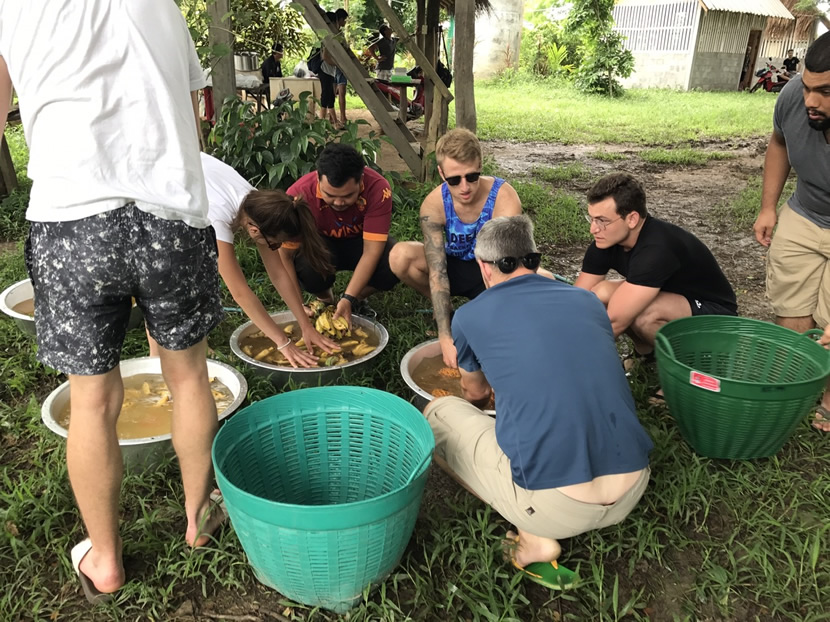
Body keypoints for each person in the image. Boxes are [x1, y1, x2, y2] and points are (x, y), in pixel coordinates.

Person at [0, 0, 225, 603]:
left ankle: (105, 561)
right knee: (188, 377)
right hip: (171, 217)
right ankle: (198, 520)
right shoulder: (164, 8)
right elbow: (190, 113)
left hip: (72, 222)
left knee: (92, 399)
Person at [424, 215, 653, 588]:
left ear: (484, 267)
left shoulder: (469, 315)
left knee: (437, 415)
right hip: (633, 486)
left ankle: (533, 539)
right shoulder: (587, 300)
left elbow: (476, 394)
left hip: (554, 508)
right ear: (534, 258)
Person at [147, 154, 339, 365]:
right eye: (274, 244)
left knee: (194, 270)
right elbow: (239, 291)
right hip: (152, 185)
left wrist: (305, 325)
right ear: (255, 230)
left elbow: (278, 273)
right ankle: (156, 355)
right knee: (167, 274)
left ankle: (196, 345)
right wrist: (283, 343)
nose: (275, 249)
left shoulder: (258, 206)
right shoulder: (217, 219)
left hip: (183, 174)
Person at [389, 128, 522, 368]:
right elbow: (437, 271)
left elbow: (507, 265)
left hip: (492, 271)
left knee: (534, 280)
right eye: (454, 180)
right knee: (400, 256)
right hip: (454, 266)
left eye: (472, 176)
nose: (464, 187)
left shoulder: (504, 198)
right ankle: (446, 311)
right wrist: (445, 334)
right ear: (441, 173)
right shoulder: (433, 204)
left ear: (480, 164)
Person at [752, 32, 830, 432]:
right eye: (808, 87)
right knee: (793, 304)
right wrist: (768, 207)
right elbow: (779, 143)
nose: (811, 102)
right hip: (806, 212)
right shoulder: (795, 96)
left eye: (826, 92)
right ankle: (798, 384)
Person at [574, 173, 737, 357]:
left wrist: (571, 358)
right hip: (671, 299)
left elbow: (614, 321)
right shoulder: (605, 241)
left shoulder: (657, 249)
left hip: (715, 314)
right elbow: (577, 300)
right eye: (592, 219)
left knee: (645, 317)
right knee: (601, 293)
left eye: (602, 221)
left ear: (632, 219)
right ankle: (646, 354)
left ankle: (690, 370)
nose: (593, 229)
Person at [282, 143, 398, 327]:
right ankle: (326, 298)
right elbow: (285, 257)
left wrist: (349, 298)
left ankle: (356, 299)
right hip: (321, 245)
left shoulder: (378, 188)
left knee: (394, 259)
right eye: (330, 195)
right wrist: (297, 305)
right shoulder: (298, 195)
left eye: (347, 196)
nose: (338, 202)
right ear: (318, 178)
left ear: (361, 180)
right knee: (305, 264)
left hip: (361, 243)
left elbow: (372, 252)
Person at [333, 8, 349, 128]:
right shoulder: (336, 34)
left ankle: (338, 116)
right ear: (341, 19)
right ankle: (340, 117)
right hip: (338, 65)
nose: (345, 23)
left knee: (336, 92)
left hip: (334, 65)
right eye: (345, 20)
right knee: (340, 92)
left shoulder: (336, 33)